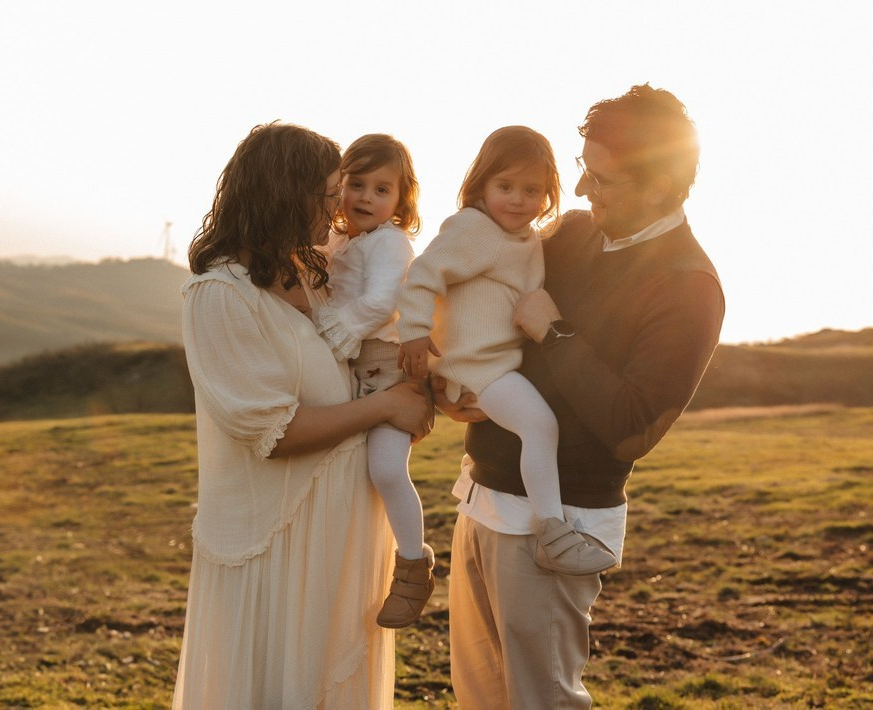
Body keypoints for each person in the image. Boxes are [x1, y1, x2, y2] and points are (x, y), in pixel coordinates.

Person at [442, 86, 726, 709]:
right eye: (581, 170)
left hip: (558, 528)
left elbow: (632, 427)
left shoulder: (689, 285)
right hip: (481, 499)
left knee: (540, 702)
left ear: (659, 186)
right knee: (479, 701)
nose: (579, 191)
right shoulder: (567, 234)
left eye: (601, 179)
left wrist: (555, 331)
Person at [171, 122, 432, 710]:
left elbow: (372, 344)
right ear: (283, 195)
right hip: (277, 546)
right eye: (328, 193)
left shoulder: (314, 276)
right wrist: (383, 406)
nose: (340, 205)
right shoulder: (221, 295)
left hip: (338, 540)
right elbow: (274, 430)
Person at [397, 126, 618, 578]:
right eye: (505, 187)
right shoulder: (474, 228)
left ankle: (551, 529)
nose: (517, 199)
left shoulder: (527, 239)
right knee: (540, 426)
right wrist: (415, 333)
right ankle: (553, 533)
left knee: (538, 427)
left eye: (531, 190)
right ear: (481, 185)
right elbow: (422, 276)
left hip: (496, 365)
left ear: (547, 194)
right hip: (476, 367)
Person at [311, 133, 435, 629]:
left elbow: (382, 301)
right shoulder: (338, 239)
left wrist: (338, 331)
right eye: (355, 184)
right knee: (342, 468)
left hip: (385, 367)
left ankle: (413, 564)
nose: (365, 197)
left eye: (382, 189)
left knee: (385, 469)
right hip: (348, 365)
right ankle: (346, 568)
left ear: (401, 200)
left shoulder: (390, 242)